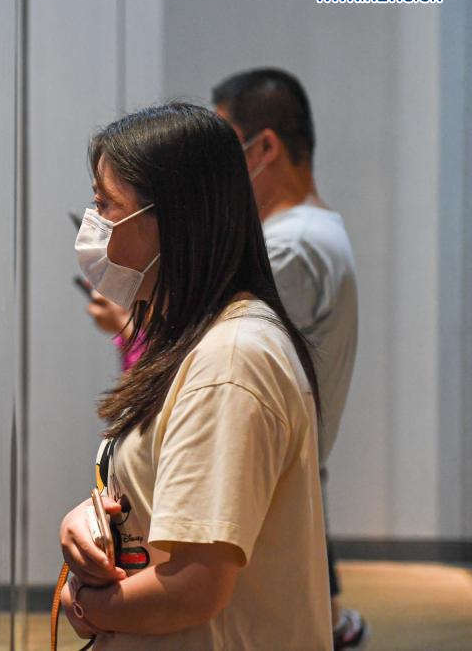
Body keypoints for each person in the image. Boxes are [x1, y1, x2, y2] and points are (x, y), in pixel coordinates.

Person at [61, 103, 331, 649]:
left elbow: (193, 588)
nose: (94, 226)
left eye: (106, 206)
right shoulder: (194, 337)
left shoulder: (229, 360)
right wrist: (88, 521)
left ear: (171, 218)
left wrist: (83, 602)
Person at [212, 68, 363, 650]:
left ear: (265, 147)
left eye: (227, 147)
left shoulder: (291, 245)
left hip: (265, 478)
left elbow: (226, 355)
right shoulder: (302, 235)